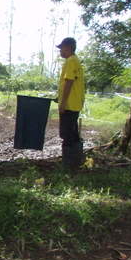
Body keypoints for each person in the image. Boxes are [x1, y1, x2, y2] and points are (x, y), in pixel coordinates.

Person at [56, 37, 85, 170]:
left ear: (68, 48)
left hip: (69, 104)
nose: (60, 51)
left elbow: (69, 82)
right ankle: (77, 161)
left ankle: (69, 164)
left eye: (61, 48)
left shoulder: (71, 61)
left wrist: (62, 103)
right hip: (74, 103)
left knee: (67, 134)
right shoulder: (75, 61)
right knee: (72, 133)